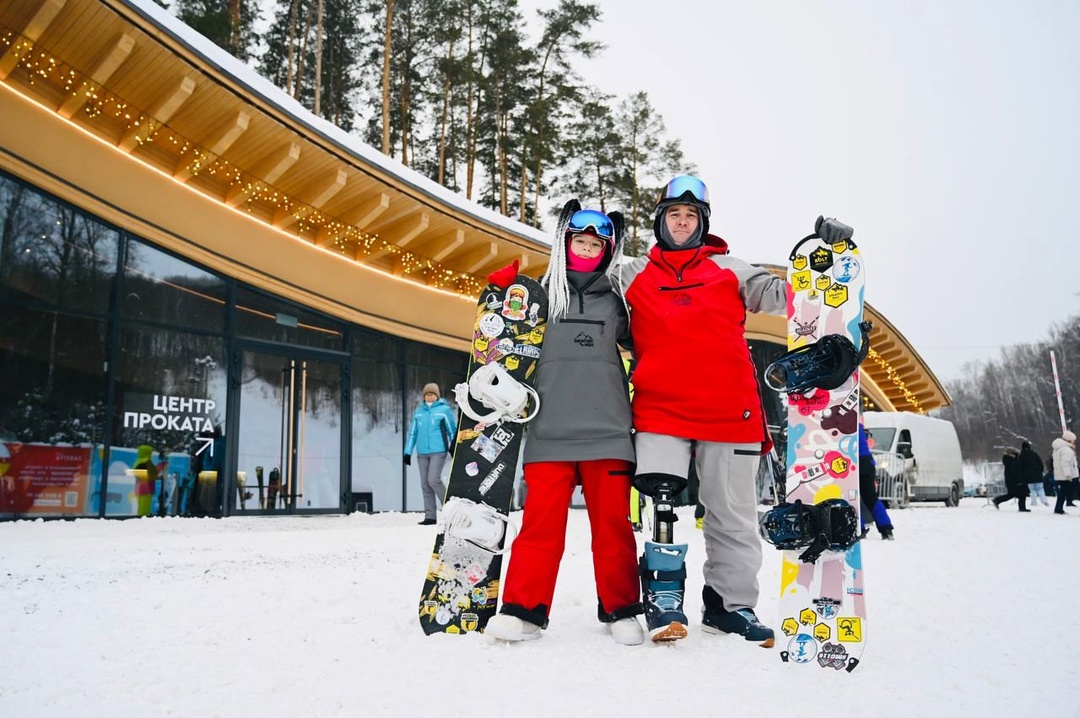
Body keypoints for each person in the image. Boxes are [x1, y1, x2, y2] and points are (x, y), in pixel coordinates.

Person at [613, 174, 852, 645]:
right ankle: (664, 600)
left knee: (732, 515)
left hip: (729, 412)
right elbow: (579, 279)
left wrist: (826, 257)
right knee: (661, 500)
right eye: (673, 215)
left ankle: (729, 606)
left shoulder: (731, 268)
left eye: (690, 216)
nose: (681, 223)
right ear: (660, 221)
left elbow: (791, 297)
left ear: (702, 223)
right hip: (660, 410)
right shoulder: (632, 273)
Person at [484, 203, 644, 645]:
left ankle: (622, 609)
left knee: (613, 529)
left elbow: (653, 346)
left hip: (608, 432)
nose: (588, 249)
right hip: (549, 430)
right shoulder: (537, 296)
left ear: (608, 250)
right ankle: (524, 612)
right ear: (564, 242)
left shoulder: (620, 302)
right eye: (580, 241)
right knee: (539, 528)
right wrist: (498, 299)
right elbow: (503, 339)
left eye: (597, 244)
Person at [404, 383, 456, 525]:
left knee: (433, 480)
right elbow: (413, 433)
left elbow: (452, 430)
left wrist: (454, 447)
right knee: (425, 484)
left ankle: (452, 510)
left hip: (438, 451)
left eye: (432, 394)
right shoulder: (419, 412)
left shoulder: (444, 410)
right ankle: (430, 517)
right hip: (422, 453)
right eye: (427, 394)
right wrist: (407, 452)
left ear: (437, 395)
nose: (429, 396)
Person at [859, 422, 894, 539]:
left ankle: (859, 530)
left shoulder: (840, 421)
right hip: (868, 462)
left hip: (853, 462)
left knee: (852, 498)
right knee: (872, 498)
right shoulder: (858, 425)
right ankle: (886, 530)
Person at [993, 447, 1029, 511]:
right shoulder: (1012, 461)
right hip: (1015, 480)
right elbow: (1016, 471)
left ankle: (1022, 507)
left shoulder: (1009, 460)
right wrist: (1019, 480)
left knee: (1017, 494)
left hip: (1011, 480)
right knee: (1016, 494)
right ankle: (997, 500)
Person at [1052, 430, 1079, 515]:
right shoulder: (1066, 450)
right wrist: (1068, 475)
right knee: (1077, 490)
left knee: (1063, 492)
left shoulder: (1058, 448)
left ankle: (1058, 508)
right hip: (1070, 475)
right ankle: (1058, 508)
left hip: (1061, 475)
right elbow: (1065, 463)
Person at [1019, 440, 1048, 507]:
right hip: (1038, 475)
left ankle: (1034, 502)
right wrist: (1041, 471)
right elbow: (1040, 463)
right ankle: (1044, 501)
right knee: (1040, 488)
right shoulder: (1034, 454)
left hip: (1028, 476)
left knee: (1032, 490)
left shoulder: (1021, 456)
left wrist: (1022, 476)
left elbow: (1021, 467)